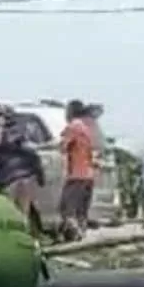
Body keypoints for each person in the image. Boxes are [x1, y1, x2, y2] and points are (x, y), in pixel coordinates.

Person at [0, 109, 45, 235]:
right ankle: (24, 240)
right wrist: (41, 177)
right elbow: (35, 157)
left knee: (8, 213)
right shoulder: (22, 135)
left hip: (8, 179)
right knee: (23, 214)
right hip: (26, 177)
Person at [58, 99, 96, 239]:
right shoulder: (86, 128)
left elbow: (63, 146)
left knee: (66, 209)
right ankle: (83, 234)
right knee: (82, 210)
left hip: (76, 174)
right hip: (89, 175)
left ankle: (77, 234)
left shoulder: (73, 127)